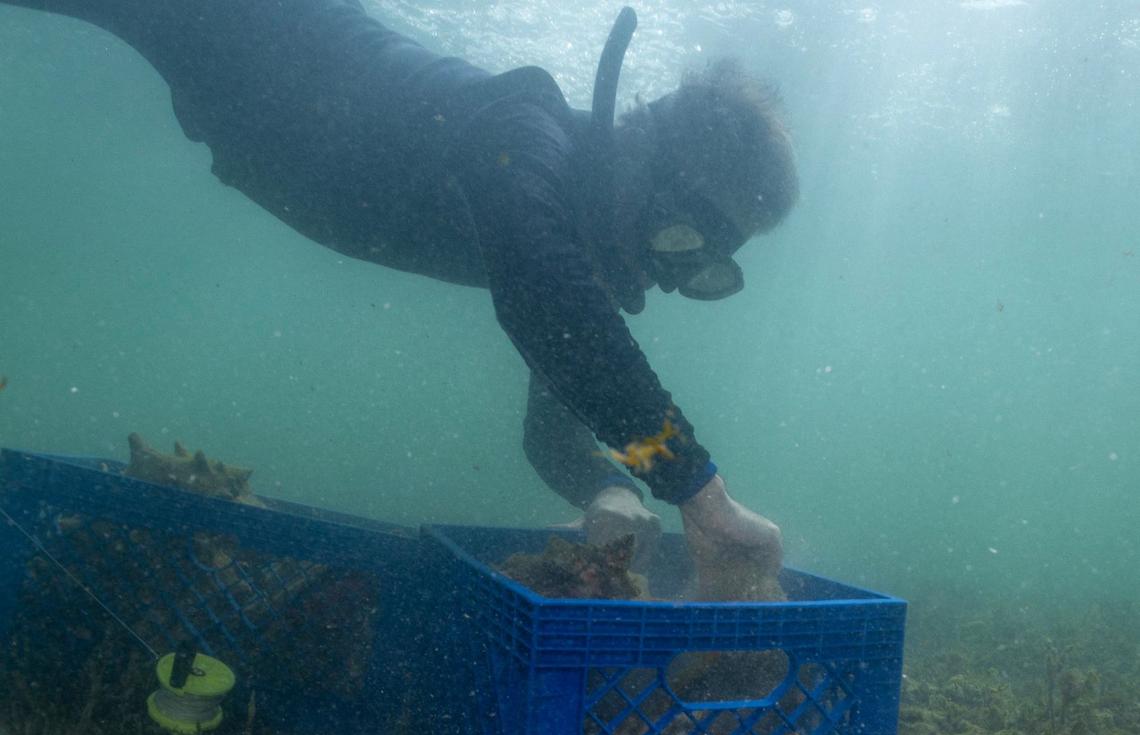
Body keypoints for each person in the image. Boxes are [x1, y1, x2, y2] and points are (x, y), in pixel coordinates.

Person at [4, 0, 799, 587]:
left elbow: (553, 420)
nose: (670, 278)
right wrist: (702, 493)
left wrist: (611, 492)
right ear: (651, 167)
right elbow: (543, 298)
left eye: (705, 276)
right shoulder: (527, 133)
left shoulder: (564, 248)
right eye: (683, 245)